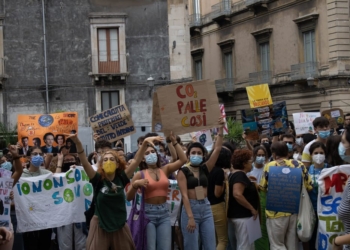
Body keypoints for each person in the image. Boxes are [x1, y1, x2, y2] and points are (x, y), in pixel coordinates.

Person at [66, 133, 159, 250]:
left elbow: (136, 161)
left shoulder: (122, 178)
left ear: (117, 163)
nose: (108, 161)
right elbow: (84, 162)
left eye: (111, 159)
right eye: (105, 159)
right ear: (101, 164)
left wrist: (145, 143)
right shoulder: (97, 179)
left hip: (119, 224)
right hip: (100, 224)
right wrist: (78, 143)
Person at [126, 133, 187, 250]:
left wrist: (174, 142)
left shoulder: (165, 169)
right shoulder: (140, 174)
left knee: (165, 247)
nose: (151, 155)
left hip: (164, 213)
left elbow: (183, 159)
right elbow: (128, 197)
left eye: (153, 152)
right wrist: (135, 185)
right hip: (148, 214)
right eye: (147, 153)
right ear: (142, 158)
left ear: (157, 154)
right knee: (150, 247)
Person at [177, 118, 224, 250]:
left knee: (210, 245)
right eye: (193, 153)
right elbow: (184, 196)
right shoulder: (183, 171)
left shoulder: (205, 168)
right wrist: (190, 217)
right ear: (188, 155)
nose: (196, 155)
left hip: (206, 207)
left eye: (199, 153)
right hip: (190, 209)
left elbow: (218, 149)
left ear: (203, 155)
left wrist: (220, 129)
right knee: (191, 246)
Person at [260, 142, 313, 250]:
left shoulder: (269, 166)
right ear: (287, 152)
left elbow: (263, 188)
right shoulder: (299, 165)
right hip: (294, 210)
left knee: (277, 244)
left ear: (274, 154)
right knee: (292, 245)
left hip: (275, 213)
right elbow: (310, 186)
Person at [21, 147, 52, 250]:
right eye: (35, 154)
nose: (38, 156)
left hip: (44, 218)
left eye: (40, 154)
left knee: (44, 245)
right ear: (29, 157)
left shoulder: (47, 174)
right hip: (28, 219)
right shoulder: (20, 175)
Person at [227, 149, 259, 250]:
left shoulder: (235, 175)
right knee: (245, 245)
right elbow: (237, 194)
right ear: (244, 163)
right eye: (250, 162)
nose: (252, 164)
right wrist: (251, 208)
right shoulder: (239, 175)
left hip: (240, 216)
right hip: (243, 216)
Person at [55, 153, 86, 250]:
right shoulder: (60, 175)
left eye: (71, 160)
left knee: (81, 243)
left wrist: (79, 170)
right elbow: (56, 179)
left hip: (80, 212)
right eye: (66, 161)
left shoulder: (81, 173)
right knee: (65, 243)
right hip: (63, 213)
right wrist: (60, 161)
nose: (69, 162)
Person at [207, 144, 233, 250]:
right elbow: (217, 193)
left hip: (206, 206)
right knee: (223, 240)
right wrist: (225, 181)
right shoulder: (219, 172)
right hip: (217, 207)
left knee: (215, 239)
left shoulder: (206, 169)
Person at [306, 141, 330, 250]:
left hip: (327, 210)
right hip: (312, 210)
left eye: (321, 152)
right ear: (311, 155)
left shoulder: (331, 169)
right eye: (315, 153)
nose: (318, 155)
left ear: (325, 154)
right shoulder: (306, 171)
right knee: (312, 237)